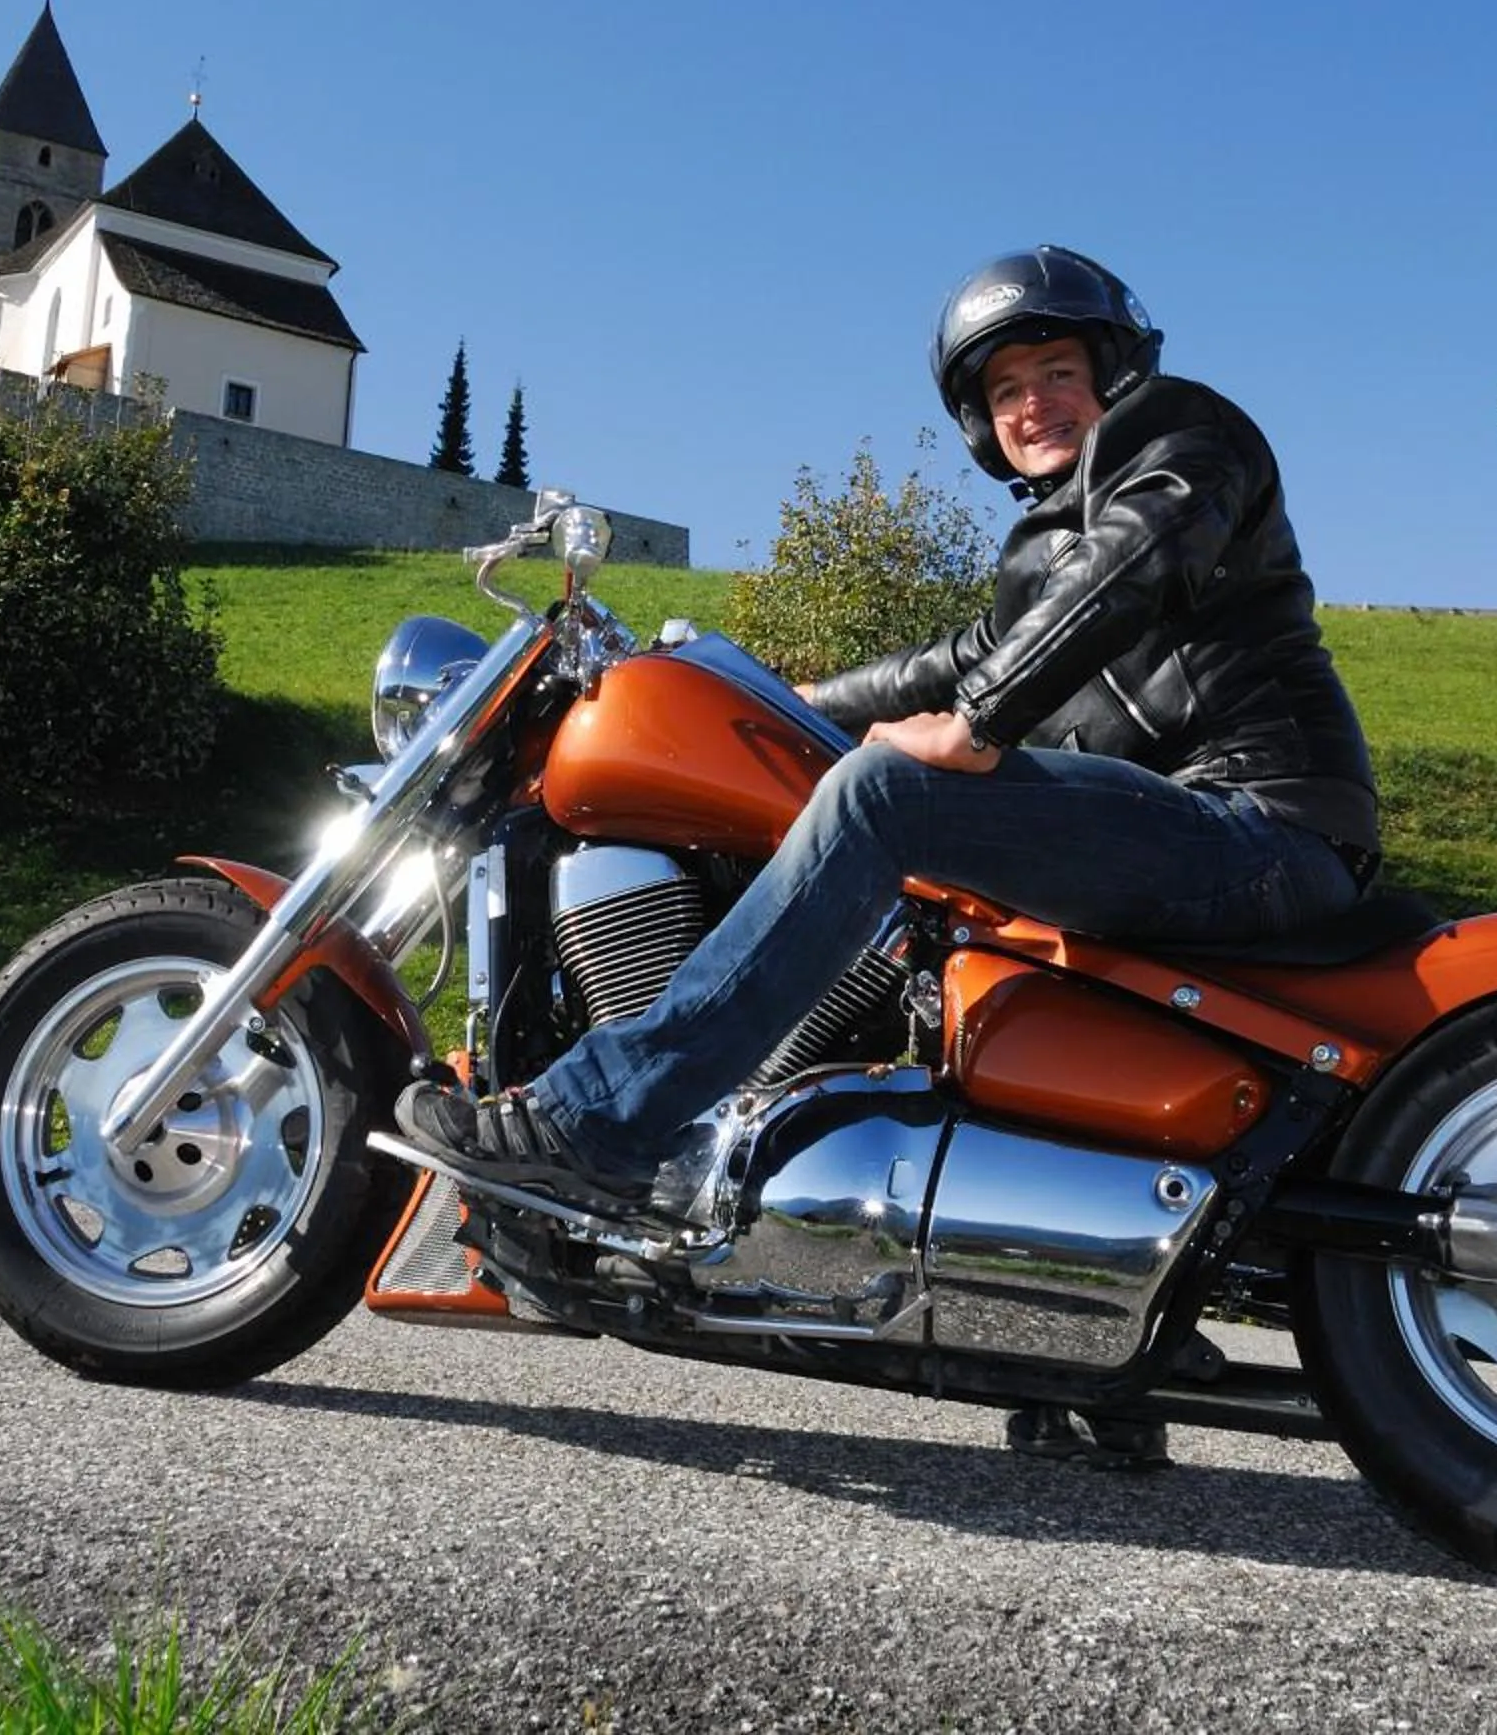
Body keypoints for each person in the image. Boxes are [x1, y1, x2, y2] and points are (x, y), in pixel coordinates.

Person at [396, 245, 1380, 1466]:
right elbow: (947, 662)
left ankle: (603, 1124)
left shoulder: (1180, 439)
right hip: (1184, 835)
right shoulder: (1041, 554)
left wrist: (973, 729)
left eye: (1058, 369)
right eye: (1007, 387)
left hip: (1258, 823)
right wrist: (757, 689)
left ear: (1115, 370)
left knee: (888, 796)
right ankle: (1093, 1348)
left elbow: (1135, 564)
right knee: (929, 911)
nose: (1034, 403)